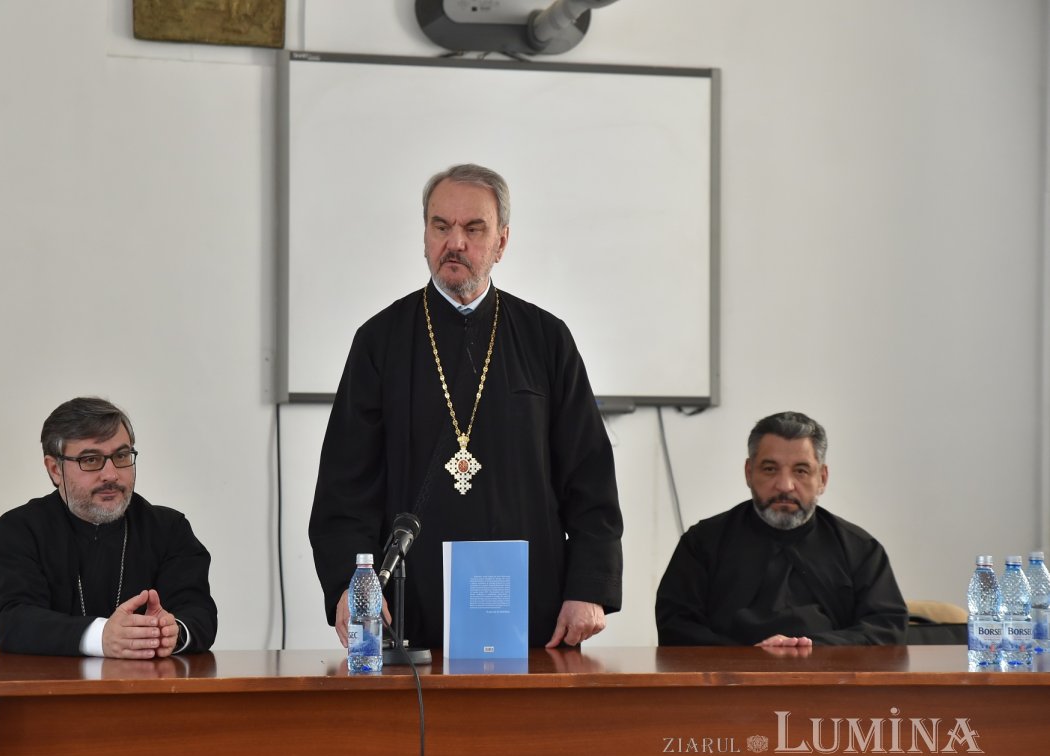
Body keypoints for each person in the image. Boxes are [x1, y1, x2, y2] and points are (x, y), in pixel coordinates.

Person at [308, 163, 623, 652]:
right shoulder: (380, 341)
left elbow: (589, 476)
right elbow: (345, 487)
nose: (454, 242)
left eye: (473, 228)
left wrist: (589, 588)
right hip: (409, 613)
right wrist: (352, 584)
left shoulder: (546, 339)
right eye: (441, 226)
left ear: (501, 242)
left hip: (532, 612)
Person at [0, 397, 218, 756]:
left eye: (121, 456)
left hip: (150, 719)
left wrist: (174, 630)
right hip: (43, 720)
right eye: (90, 461)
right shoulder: (20, 530)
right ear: (54, 469)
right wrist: (103, 638)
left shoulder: (167, 528)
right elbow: (12, 620)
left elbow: (199, 613)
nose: (111, 474)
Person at [655, 411, 907, 647]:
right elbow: (675, 627)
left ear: (822, 478)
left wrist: (810, 651)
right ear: (749, 473)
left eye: (801, 471)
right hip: (729, 686)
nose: (785, 485)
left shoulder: (859, 548)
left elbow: (887, 628)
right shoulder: (703, 543)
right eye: (770, 469)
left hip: (831, 686)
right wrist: (749, 658)